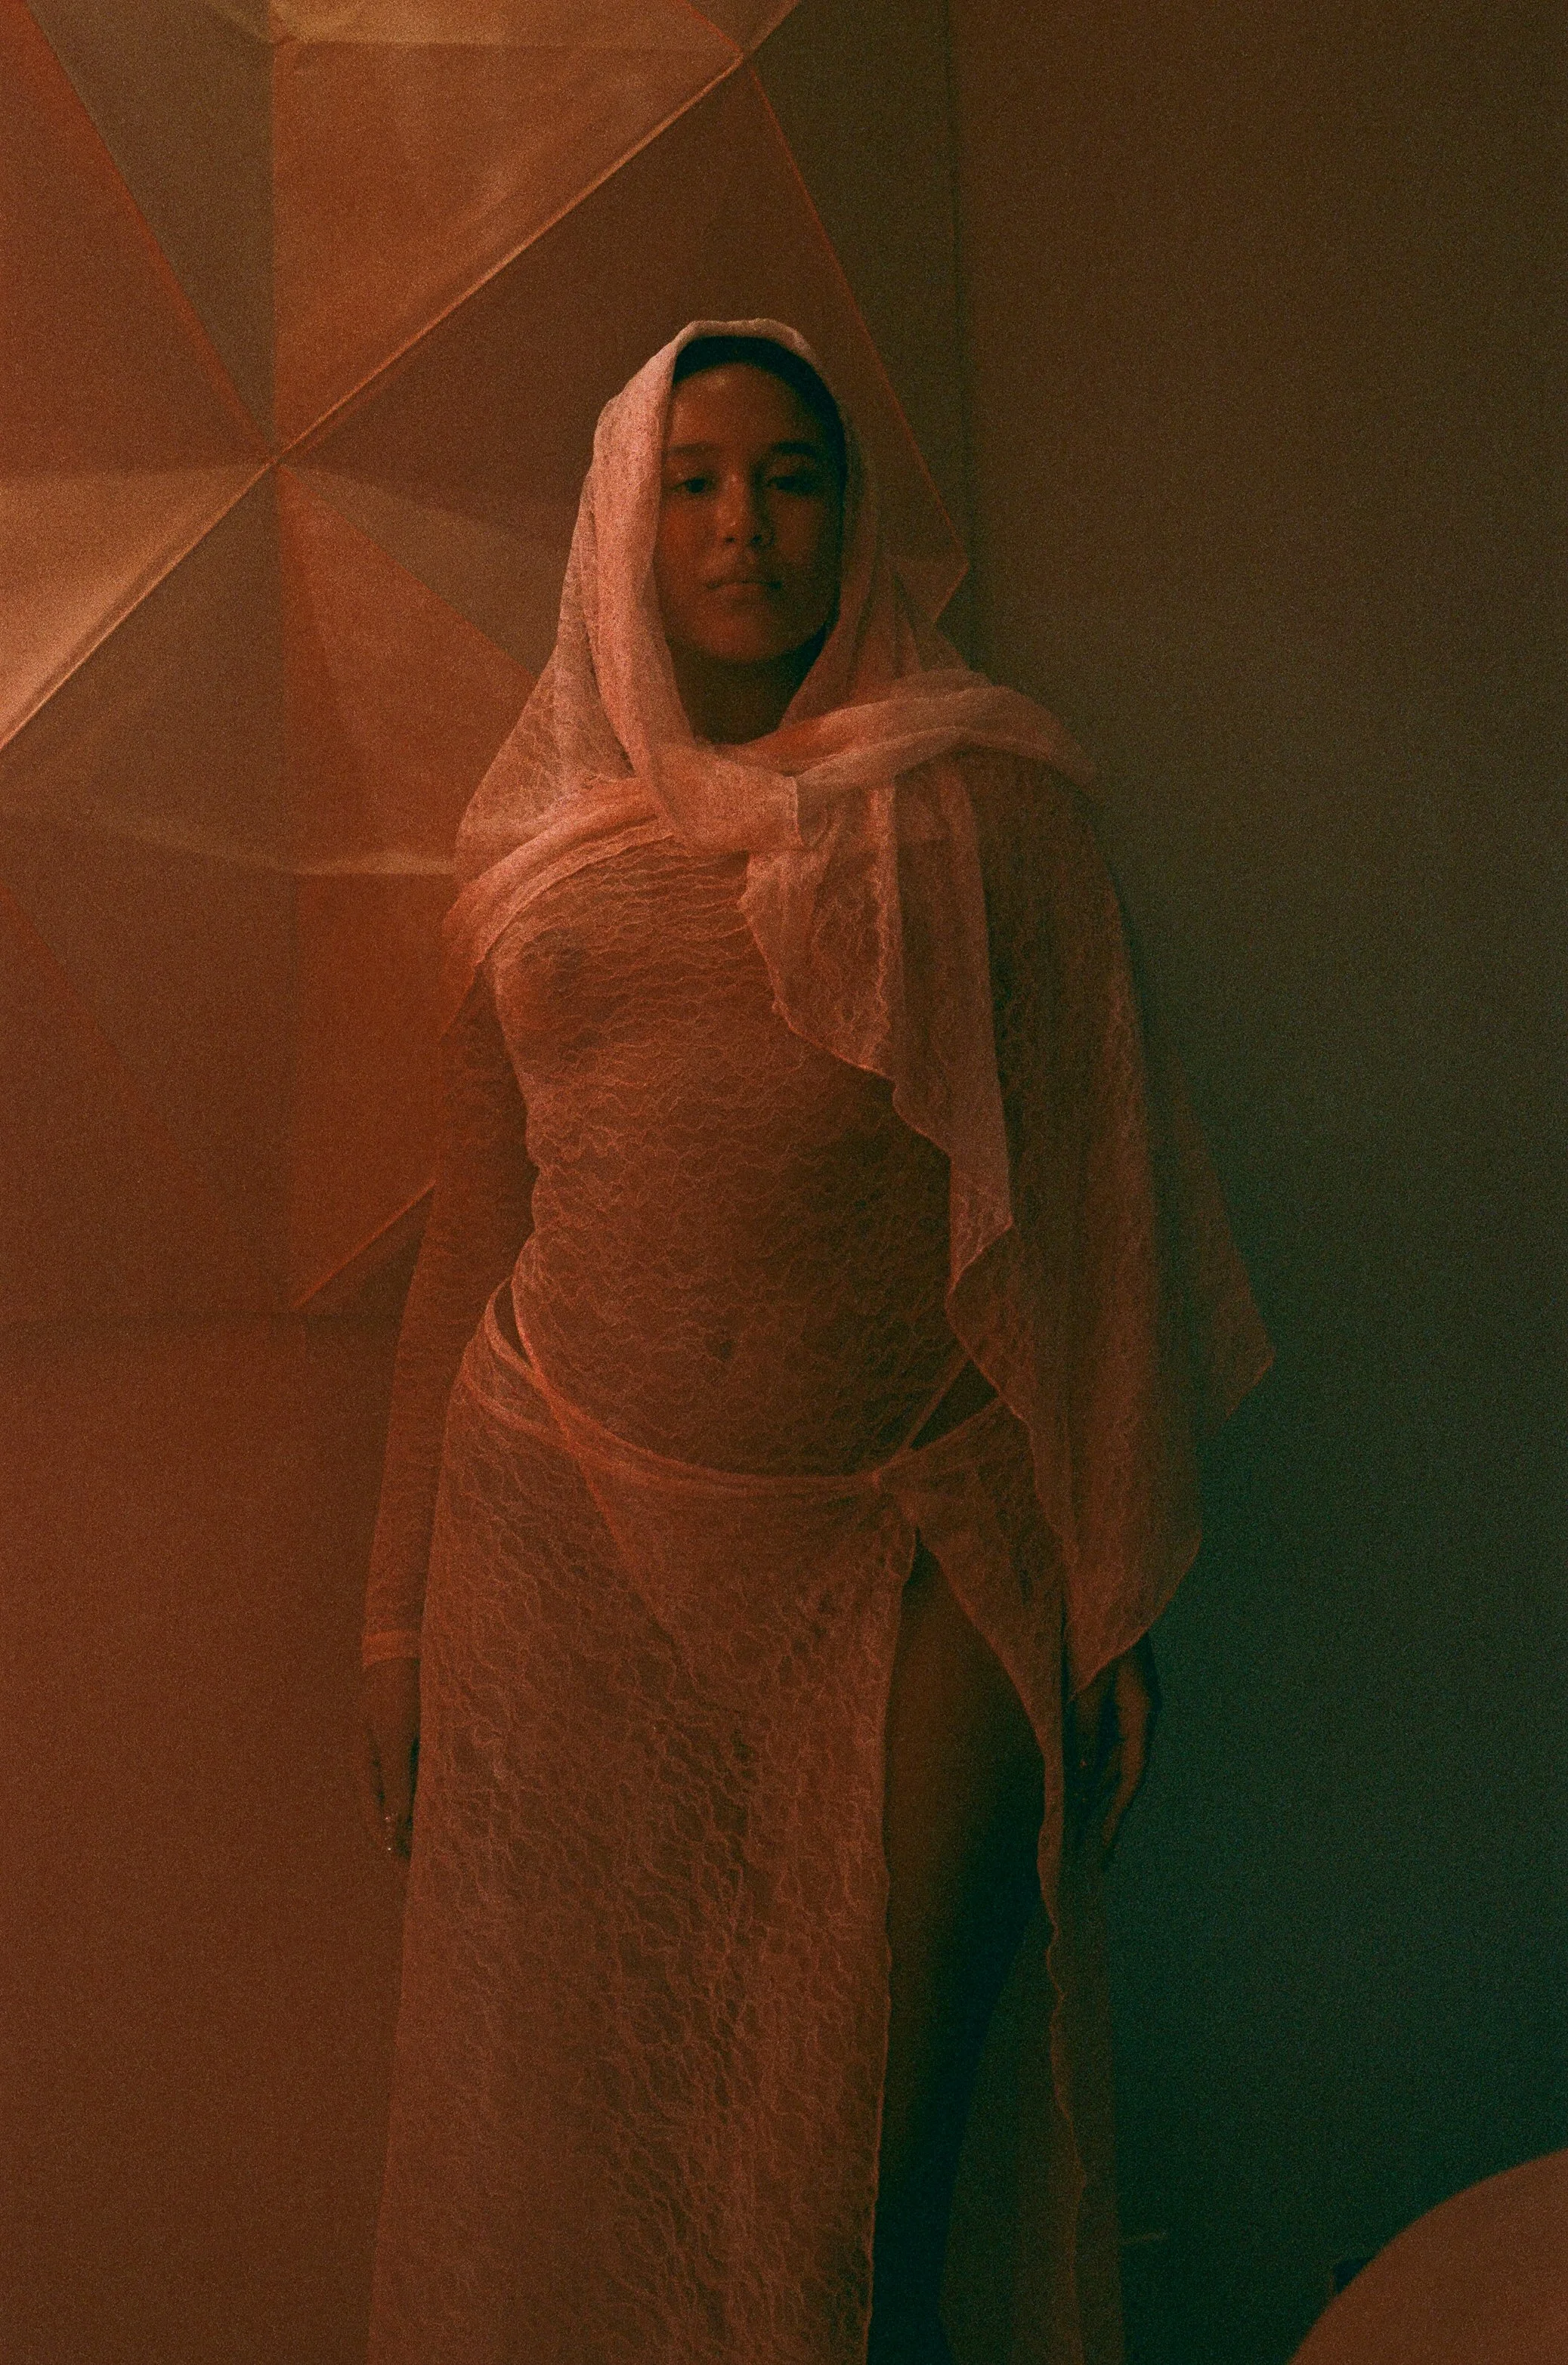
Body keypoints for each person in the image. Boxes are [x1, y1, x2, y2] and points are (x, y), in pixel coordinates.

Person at [353, 318, 1270, 2365]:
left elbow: (1097, 1206)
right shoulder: (533, 867)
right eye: (693, 482)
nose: (744, 525)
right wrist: (395, 1619)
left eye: (790, 476)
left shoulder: (985, 812)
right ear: (623, 520)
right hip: (567, 1558)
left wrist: (1112, 1593)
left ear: (852, 521)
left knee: (870, 2141)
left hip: (908, 1548)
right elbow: (469, 1239)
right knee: (607, 2125)